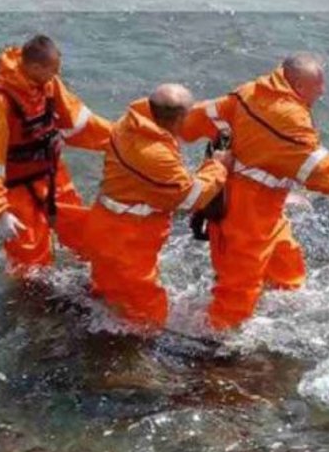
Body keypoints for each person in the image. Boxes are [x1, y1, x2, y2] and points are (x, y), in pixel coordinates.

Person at [180, 52, 329, 331]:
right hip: (244, 212)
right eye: (318, 85)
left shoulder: (250, 91)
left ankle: (284, 303)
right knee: (238, 287)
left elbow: (201, 117)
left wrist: (176, 124)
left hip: (264, 208)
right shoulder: (289, 118)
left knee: (286, 262)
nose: (322, 91)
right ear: (298, 86)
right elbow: (316, 167)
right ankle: (216, 342)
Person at [83, 84, 230, 330]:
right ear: (180, 118)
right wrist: (217, 166)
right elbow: (190, 199)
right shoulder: (155, 154)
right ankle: (133, 358)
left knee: (108, 293)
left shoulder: (127, 124)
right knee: (147, 315)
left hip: (104, 222)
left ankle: (104, 333)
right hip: (128, 237)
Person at [0, 35, 111, 276]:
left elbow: (78, 122)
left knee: (83, 234)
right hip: (17, 187)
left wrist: (122, 140)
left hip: (51, 173)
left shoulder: (48, 83)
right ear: (36, 67)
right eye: (53, 70)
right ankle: (28, 304)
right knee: (29, 263)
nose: (56, 75)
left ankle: (96, 278)